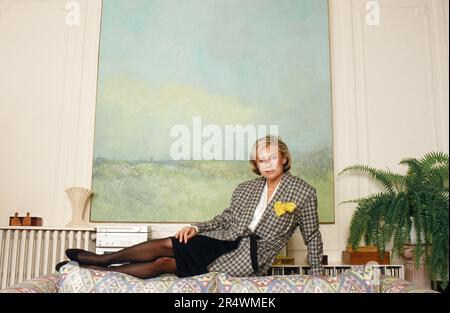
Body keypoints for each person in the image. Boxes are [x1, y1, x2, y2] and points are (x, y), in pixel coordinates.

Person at [56, 135, 324, 278]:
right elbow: (226, 218)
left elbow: (312, 236)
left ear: (284, 157)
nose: (267, 164)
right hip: (222, 240)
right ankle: (101, 259)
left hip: (250, 257)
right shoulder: (246, 188)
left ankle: (102, 271)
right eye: (261, 160)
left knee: (164, 263)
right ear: (256, 164)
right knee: (170, 243)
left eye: (272, 158)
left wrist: (317, 276)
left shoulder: (303, 192)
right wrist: (196, 227)